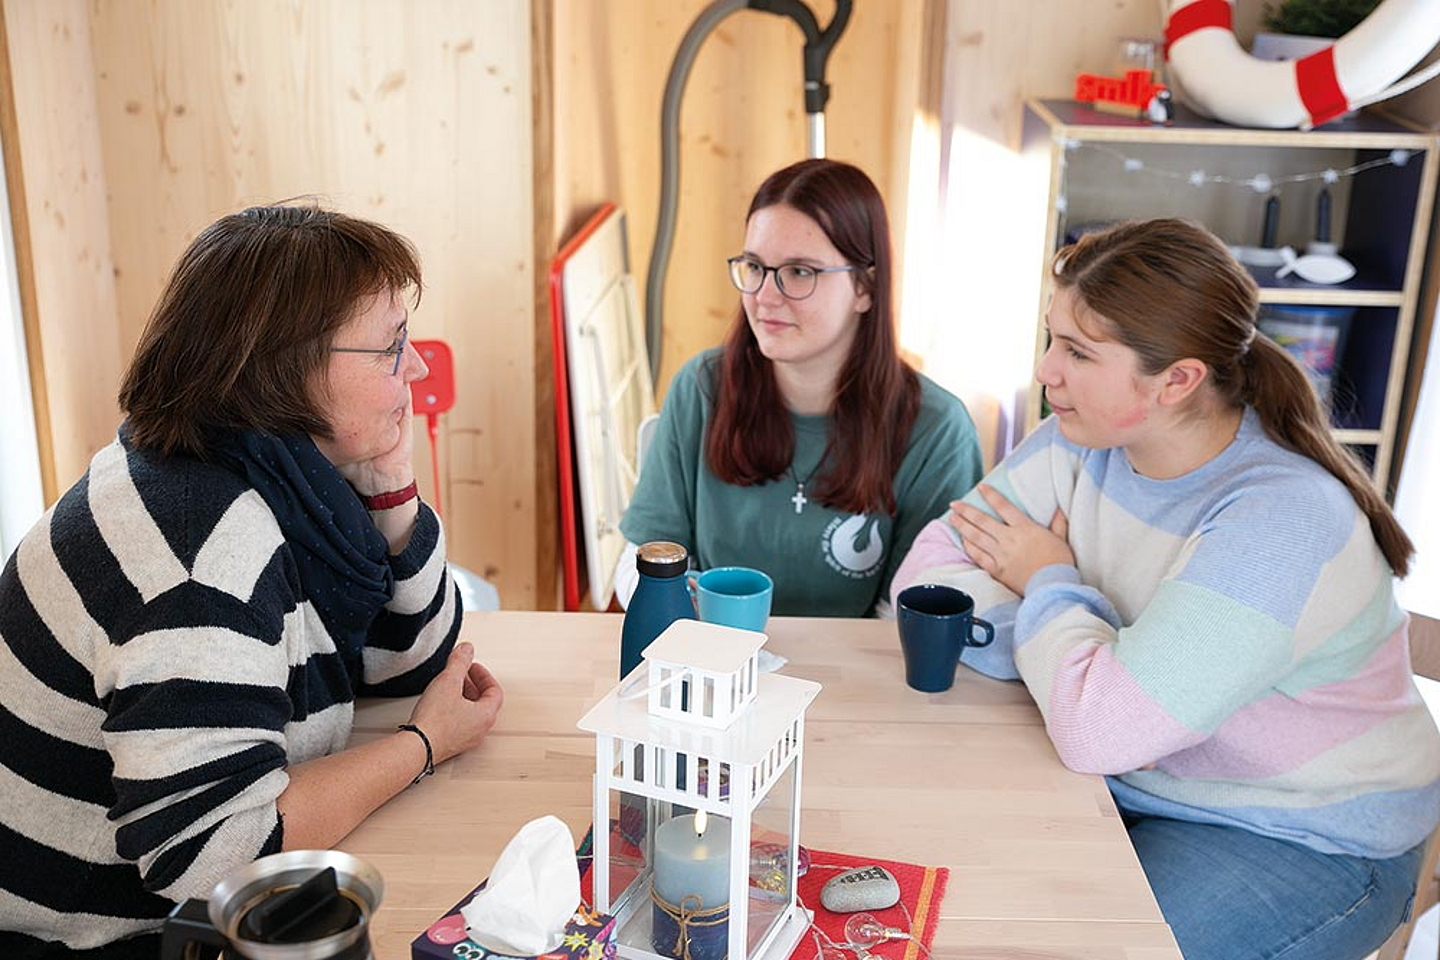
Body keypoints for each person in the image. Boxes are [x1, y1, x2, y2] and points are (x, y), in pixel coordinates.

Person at [891, 218, 1440, 960]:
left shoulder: (1278, 520)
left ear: (1178, 380)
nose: (1047, 371)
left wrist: (1049, 578)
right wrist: (1091, 672)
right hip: (1132, 783)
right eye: (1053, 338)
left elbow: (1096, 730)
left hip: (1300, 834)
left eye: (1079, 353)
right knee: (932, 904)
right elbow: (928, 580)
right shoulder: (1080, 438)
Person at [0, 204, 504, 958]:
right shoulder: (200, 553)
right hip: (102, 936)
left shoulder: (266, 473)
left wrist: (391, 484)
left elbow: (411, 661)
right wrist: (422, 745)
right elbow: (214, 857)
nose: (419, 367)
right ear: (291, 374)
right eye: (393, 347)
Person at [616, 159, 983, 617]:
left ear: (865, 287)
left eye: (800, 272)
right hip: (716, 662)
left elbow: (913, 616)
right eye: (755, 266)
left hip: (857, 680)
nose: (765, 296)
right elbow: (640, 567)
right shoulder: (700, 388)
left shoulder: (937, 429)